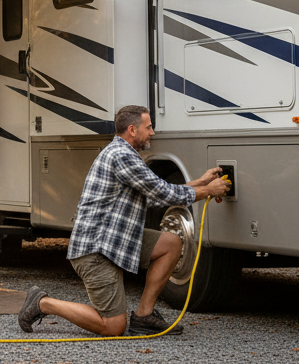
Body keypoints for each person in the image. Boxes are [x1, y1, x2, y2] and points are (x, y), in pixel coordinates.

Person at [17, 105, 230, 336]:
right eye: (148, 127)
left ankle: (144, 316)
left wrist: (200, 183)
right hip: (96, 251)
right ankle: (43, 303)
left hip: (116, 240)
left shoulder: (125, 154)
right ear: (132, 130)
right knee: (113, 326)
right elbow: (162, 193)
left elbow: (156, 192)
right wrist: (208, 191)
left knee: (171, 243)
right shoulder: (121, 156)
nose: (152, 133)